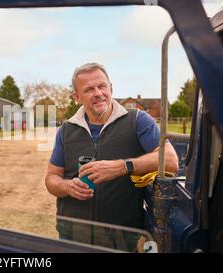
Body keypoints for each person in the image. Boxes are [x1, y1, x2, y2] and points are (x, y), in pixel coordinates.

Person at [45, 63, 179, 245]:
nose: (98, 93)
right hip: (73, 234)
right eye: (89, 89)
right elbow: (52, 178)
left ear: (111, 88)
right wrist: (68, 187)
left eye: (102, 86)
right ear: (77, 97)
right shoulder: (66, 130)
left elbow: (170, 160)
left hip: (123, 237)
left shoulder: (138, 121)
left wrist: (123, 167)